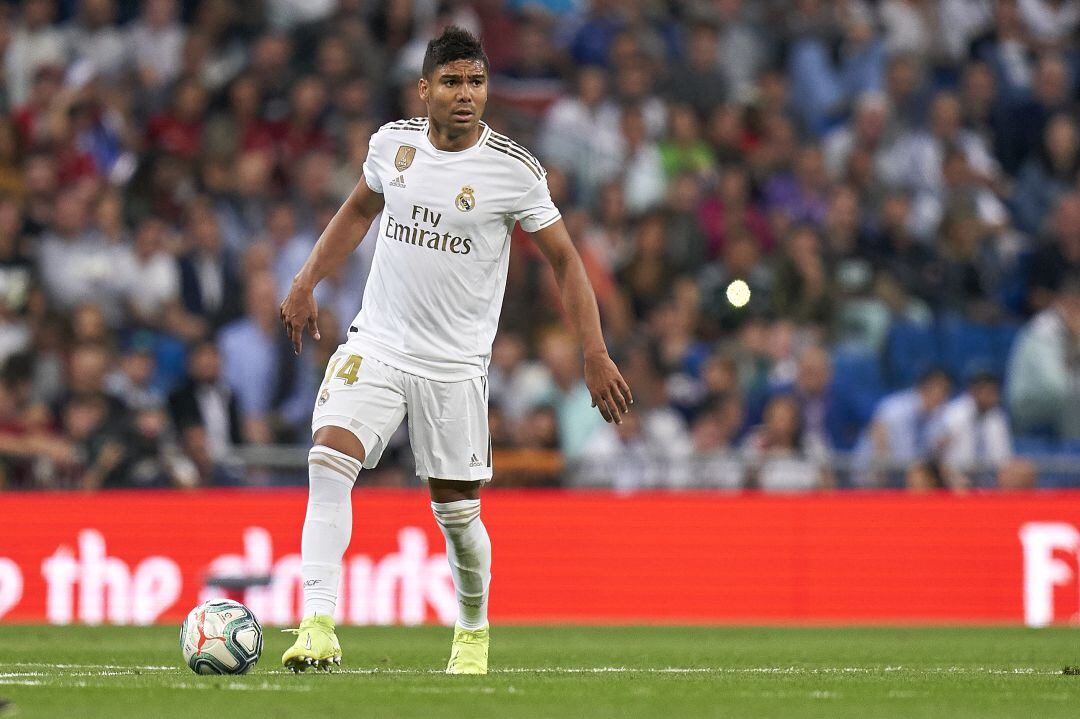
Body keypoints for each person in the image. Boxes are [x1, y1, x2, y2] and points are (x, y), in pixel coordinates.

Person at [277, 27, 631, 675]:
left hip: (454, 366)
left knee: (458, 515)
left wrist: (594, 351)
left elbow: (565, 259)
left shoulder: (514, 171)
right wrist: (305, 281)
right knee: (328, 456)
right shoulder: (392, 144)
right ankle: (317, 624)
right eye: (452, 82)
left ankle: (472, 631)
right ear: (424, 90)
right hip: (378, 343)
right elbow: (358, 211)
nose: (466, 95)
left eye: (475, 82)